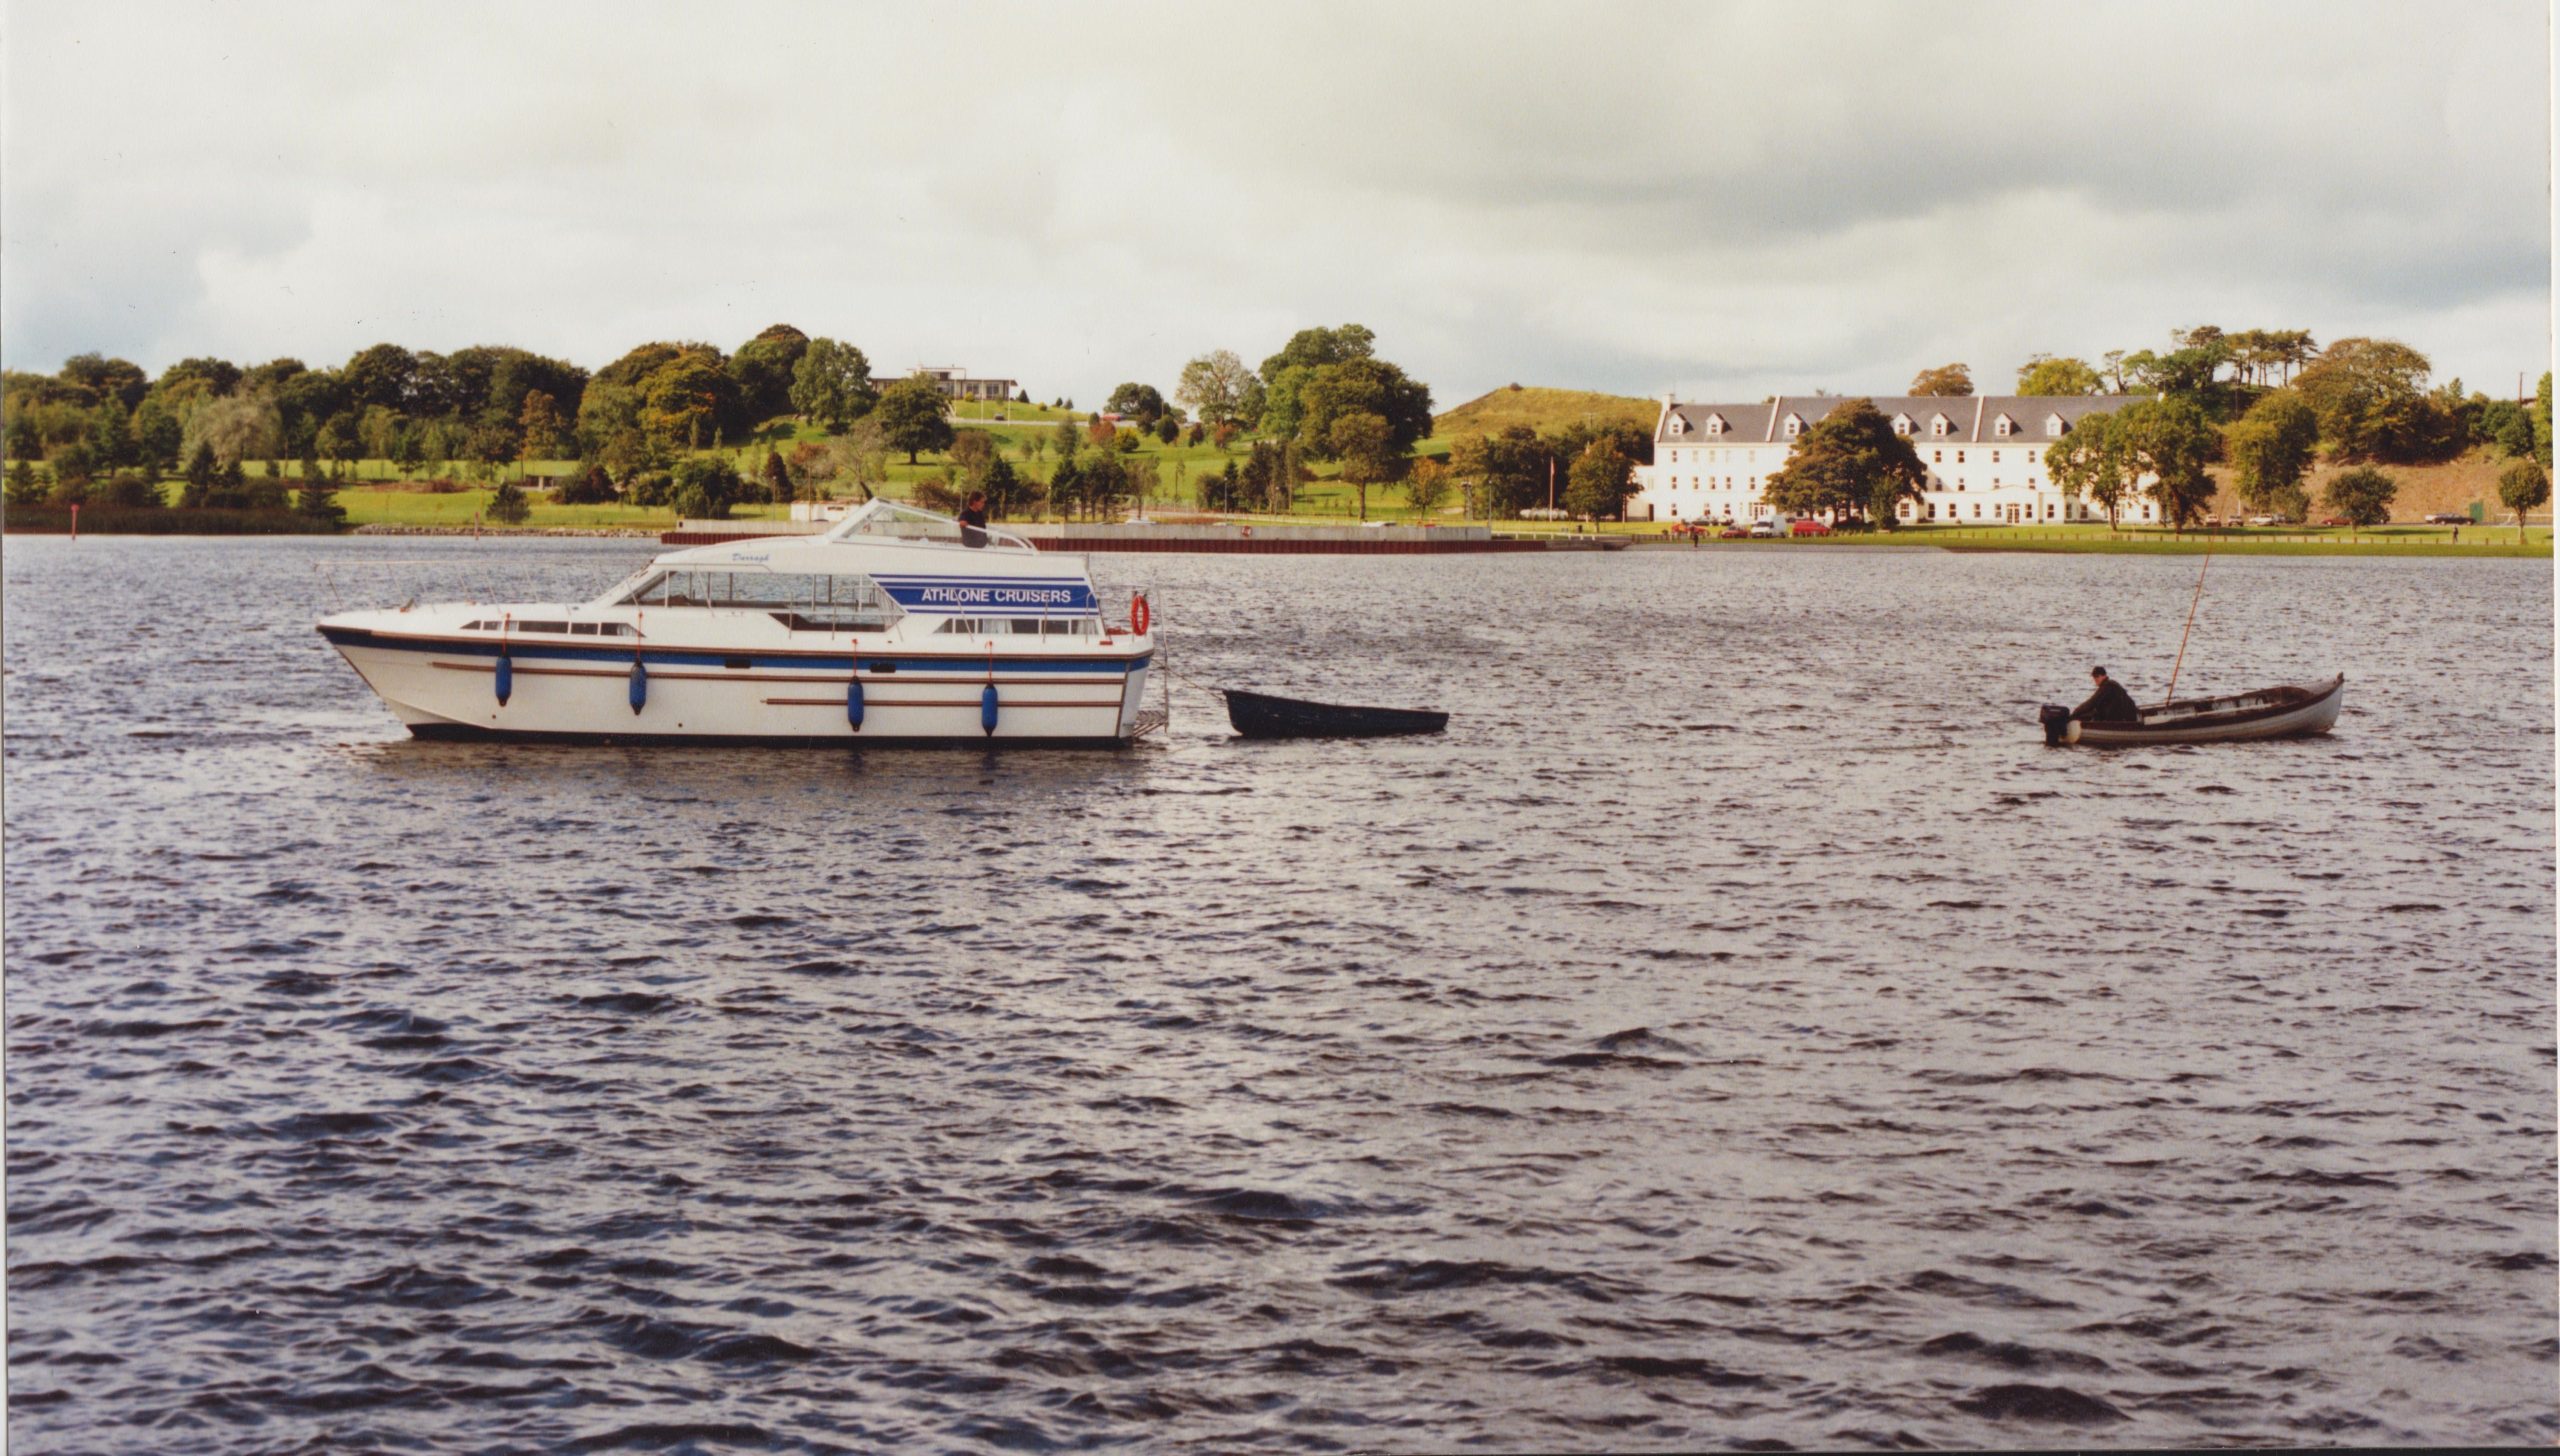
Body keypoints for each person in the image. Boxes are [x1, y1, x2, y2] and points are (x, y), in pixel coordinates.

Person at [2072, 665, 2141, 723]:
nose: (2095, 679)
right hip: (2127, 715)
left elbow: (2092, 702)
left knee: (2090, 713)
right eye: (2094, 677)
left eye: (2096, 676)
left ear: (2103, 676)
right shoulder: (2111, 684)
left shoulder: (2107, 686)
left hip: (2123, 719)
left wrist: (2075, 712)